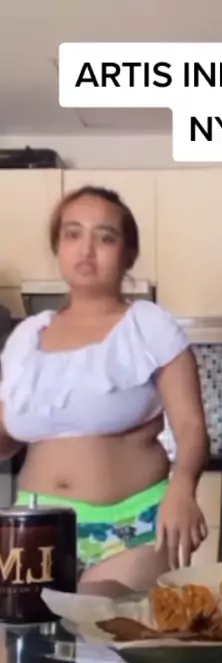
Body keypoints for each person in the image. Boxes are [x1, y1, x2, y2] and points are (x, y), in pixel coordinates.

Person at [0, 185, 210, 588]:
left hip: (134, 525)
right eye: (72, 234)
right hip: (35, 527)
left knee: (95, 612)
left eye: (105, 237)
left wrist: (183, 490)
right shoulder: (26, 337)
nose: (86, 249)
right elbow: (6, 438)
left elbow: (190, 425)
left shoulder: (148, 325)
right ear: (58, 247)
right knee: (31, 628)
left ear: (128, 254)